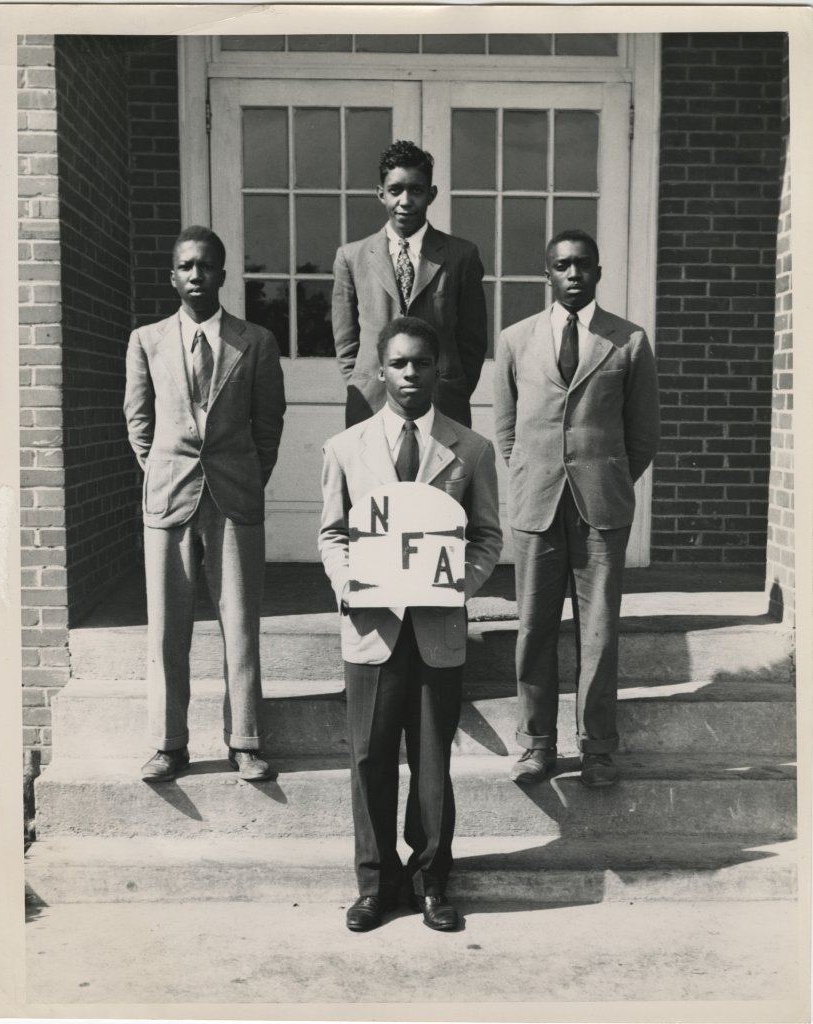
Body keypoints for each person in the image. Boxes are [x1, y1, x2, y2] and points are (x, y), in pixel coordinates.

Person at [319, 315, 502, 932]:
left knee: (431, 764)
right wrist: (351, 586)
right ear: (380, 370)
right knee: (370, 758)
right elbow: (333, 534)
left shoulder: (469, 449)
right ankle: (375, 884)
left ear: (438, 370)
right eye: (399, 363)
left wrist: (455, 583)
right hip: (373, 627)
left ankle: (432, 881)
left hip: (435, 629)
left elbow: (486, 537)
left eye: (422, 362)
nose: (410, 373)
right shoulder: (347, 448)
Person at [493, 229, 660, 789]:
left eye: (582, 264)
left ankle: (597, 750)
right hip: (537, 506)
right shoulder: (515, 340)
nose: (572, 274)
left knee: (600, 634)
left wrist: (605, 476)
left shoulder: (628, 341)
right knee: (534, 629)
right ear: (546, 273)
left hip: (601, 510)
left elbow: (643, 436)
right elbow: (507, 432)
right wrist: (535, 477)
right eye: (561, 265)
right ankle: (537, 745)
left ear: (598, 271)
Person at [124, 225, 286, 783]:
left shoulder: (255, 341)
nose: (196, 275)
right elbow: (139, 423)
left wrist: (246, 475)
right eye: (186, 267)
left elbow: (269, 424)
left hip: (235, 497)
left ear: (222, 274)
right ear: (173, 276)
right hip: (169, 497)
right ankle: (169, 745)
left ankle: (245, 740)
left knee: (240, 623)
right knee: (167, 628)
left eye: (207, 266)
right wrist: (165, 470)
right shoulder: (146, 341)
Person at [332, 139, 487, 429]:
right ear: (381, 194)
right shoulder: (352, 257)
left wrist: (452, 386)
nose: (405, 201)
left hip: (443, 400)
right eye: (395, 191)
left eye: (415, 190)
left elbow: (472, 341)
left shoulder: (461, 255)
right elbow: (346, 344)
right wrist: (368, 381)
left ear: (431, 194)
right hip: (372, 403)